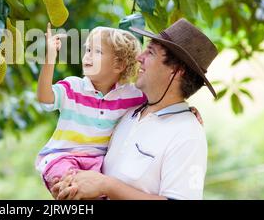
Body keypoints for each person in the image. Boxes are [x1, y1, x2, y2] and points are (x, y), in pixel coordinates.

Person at [51, 18, 218, 200]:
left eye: (151, 52)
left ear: (177, 71)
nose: (139, 57)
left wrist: (106, 185)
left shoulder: (187, 133)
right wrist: (70, 188)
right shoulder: (128, 111)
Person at [36, 23, 147, 193]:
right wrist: (50, 58)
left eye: (97, 52)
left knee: (96, 192)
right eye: (87, 50)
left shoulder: (129, 95)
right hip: (62, 158)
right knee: (71, 184)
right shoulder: (73, 87)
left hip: (96, 164)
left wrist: (187, 110)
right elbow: (45, 97)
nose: (87, 56)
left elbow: (160, 98)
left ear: (119, 65)